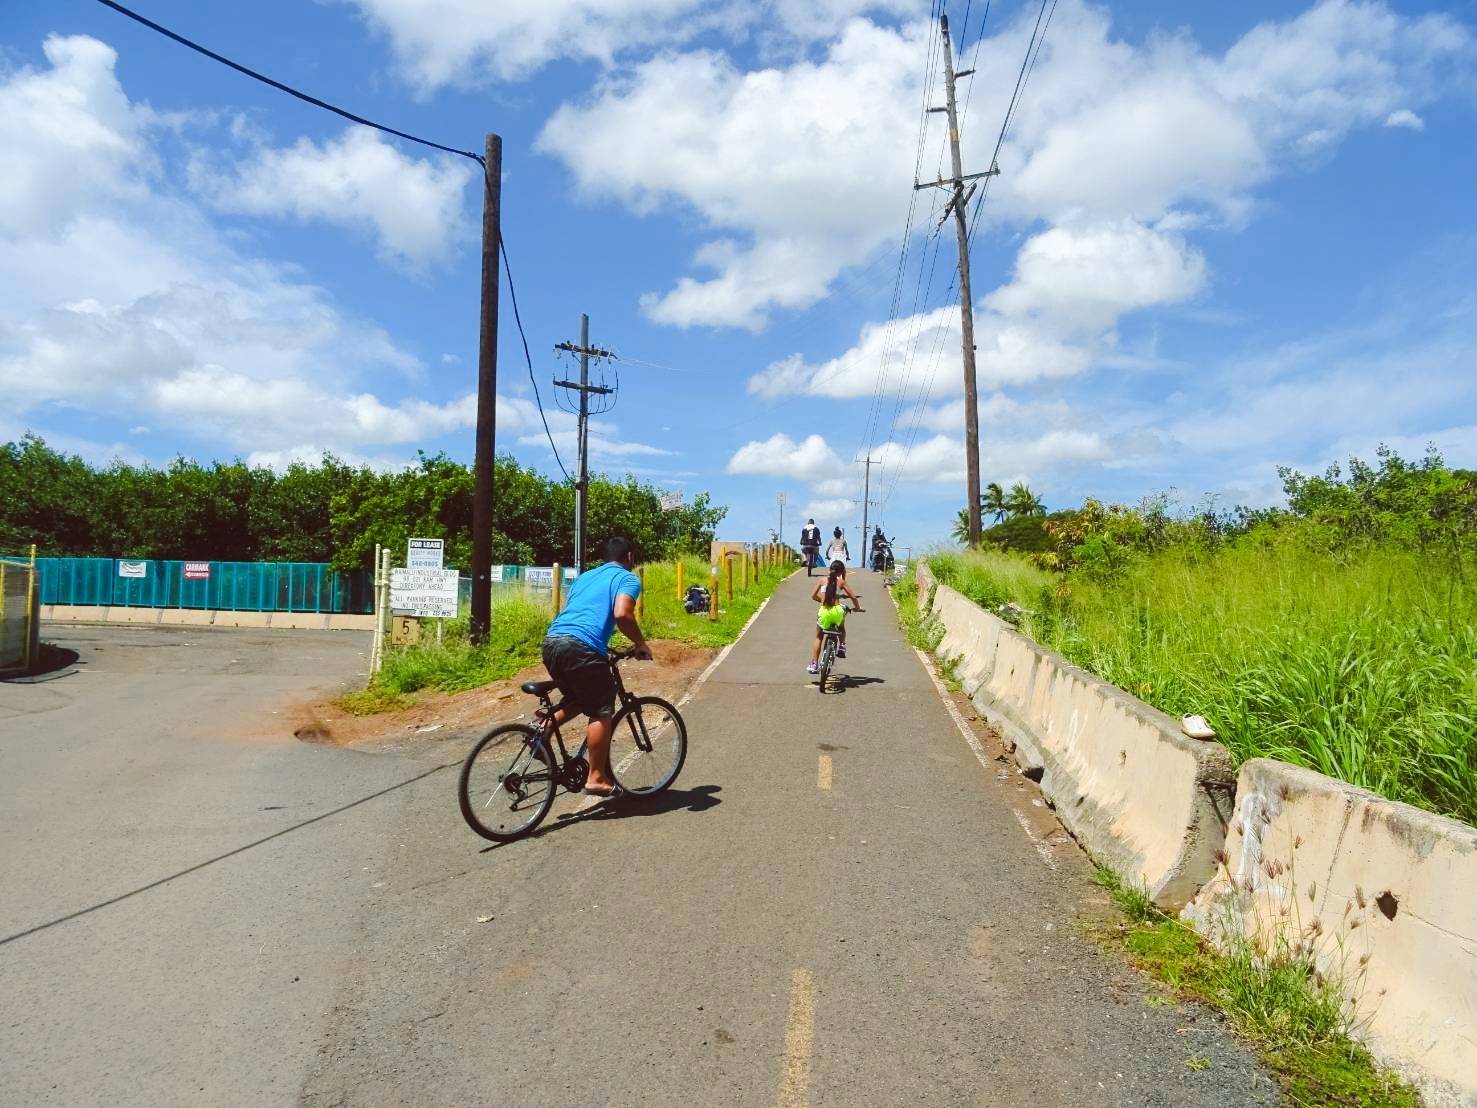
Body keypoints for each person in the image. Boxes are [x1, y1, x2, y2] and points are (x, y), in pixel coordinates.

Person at [540, 536, 653, 796]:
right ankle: (596, 777)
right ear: (630, 558)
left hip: (552, 643)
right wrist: (640, 643)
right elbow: (622, 614)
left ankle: (541, 737)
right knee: (602, 709)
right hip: (582, 647)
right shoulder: (627, 578)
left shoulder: (584, 578)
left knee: (581, 699)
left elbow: (582, 613)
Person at [808, 560, 862, 674]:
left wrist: (821, 601)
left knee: (819, 637)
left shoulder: (822, 580)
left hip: (824, 612)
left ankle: (814, 664)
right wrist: (857, 608)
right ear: (841, 572)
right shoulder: (841, 582)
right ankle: (842, 645)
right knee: (841, 626)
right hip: (837, 612)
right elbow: (853, 597)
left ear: (829, 569)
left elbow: (813, 595)